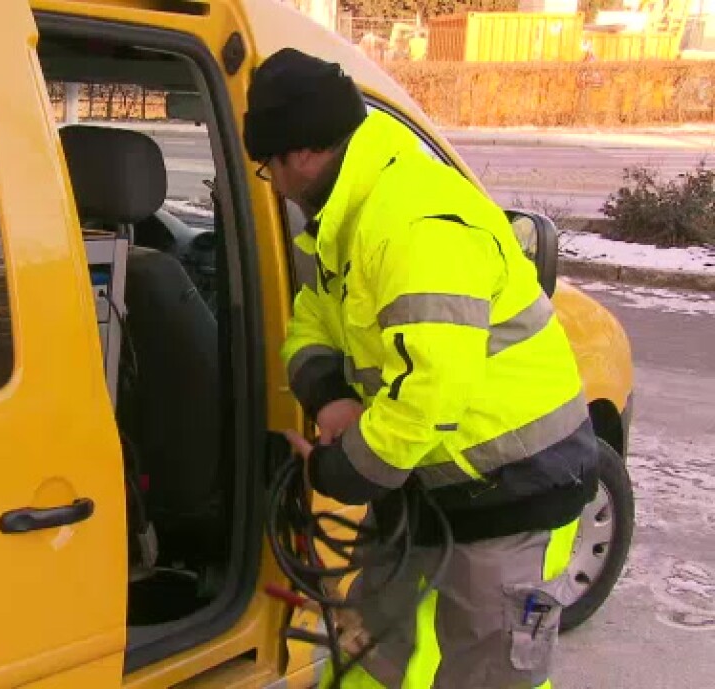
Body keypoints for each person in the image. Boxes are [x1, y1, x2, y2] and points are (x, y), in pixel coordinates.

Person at [242, 47, 600, 689]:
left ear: (302, 152)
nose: (273, 184)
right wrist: (329, 396)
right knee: (373, 648)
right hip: (424, 480)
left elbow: (431, 390)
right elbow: (312, 321)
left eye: (268, 166)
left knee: (488, 672)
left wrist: (343, 468)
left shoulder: (414, 225)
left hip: (511, 491)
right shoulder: (346, 219)